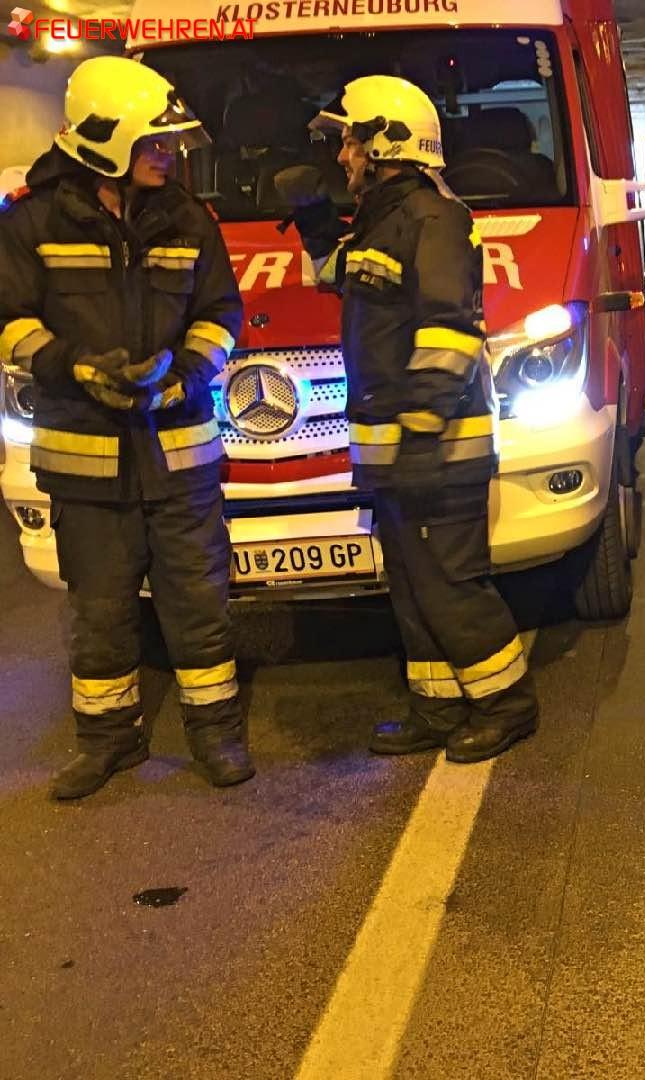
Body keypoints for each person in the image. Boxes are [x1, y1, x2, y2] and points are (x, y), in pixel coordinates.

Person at [0, 56, 251, 799]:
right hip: (85, 458)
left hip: (179, 453)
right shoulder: (31, 221)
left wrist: (184, 376)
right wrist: (73, 367)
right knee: (101, 608)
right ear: (107, 140)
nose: (168, 156)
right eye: (154, 144)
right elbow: (9, 322)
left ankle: (216, 734)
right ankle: (107, 741)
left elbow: (221, 314)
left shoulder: (187, 217)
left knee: (199, 603)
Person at [275, 75, 539, 762]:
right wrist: (311, 224)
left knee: (452, 584)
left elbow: (449, 328)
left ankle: (507, 704)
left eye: (351, 142)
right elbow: (347, 276)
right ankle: (438, 706)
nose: (342, 156)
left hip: (440, 445)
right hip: (396, 448)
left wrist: (423, 420)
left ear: (385, 142)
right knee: (414, 583)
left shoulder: (434, 218)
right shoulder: (383, 220)